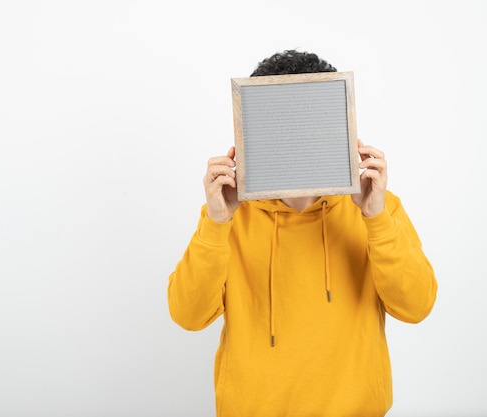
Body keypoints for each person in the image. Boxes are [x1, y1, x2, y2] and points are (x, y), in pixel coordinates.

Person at [168, 49, 437, 417]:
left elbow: (416, 306)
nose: (295, 136)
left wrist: (376, 219)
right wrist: (216, 224)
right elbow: (188, 315)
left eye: (309, 120)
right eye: (278, 123)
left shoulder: (377, 208)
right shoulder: (227, 217)